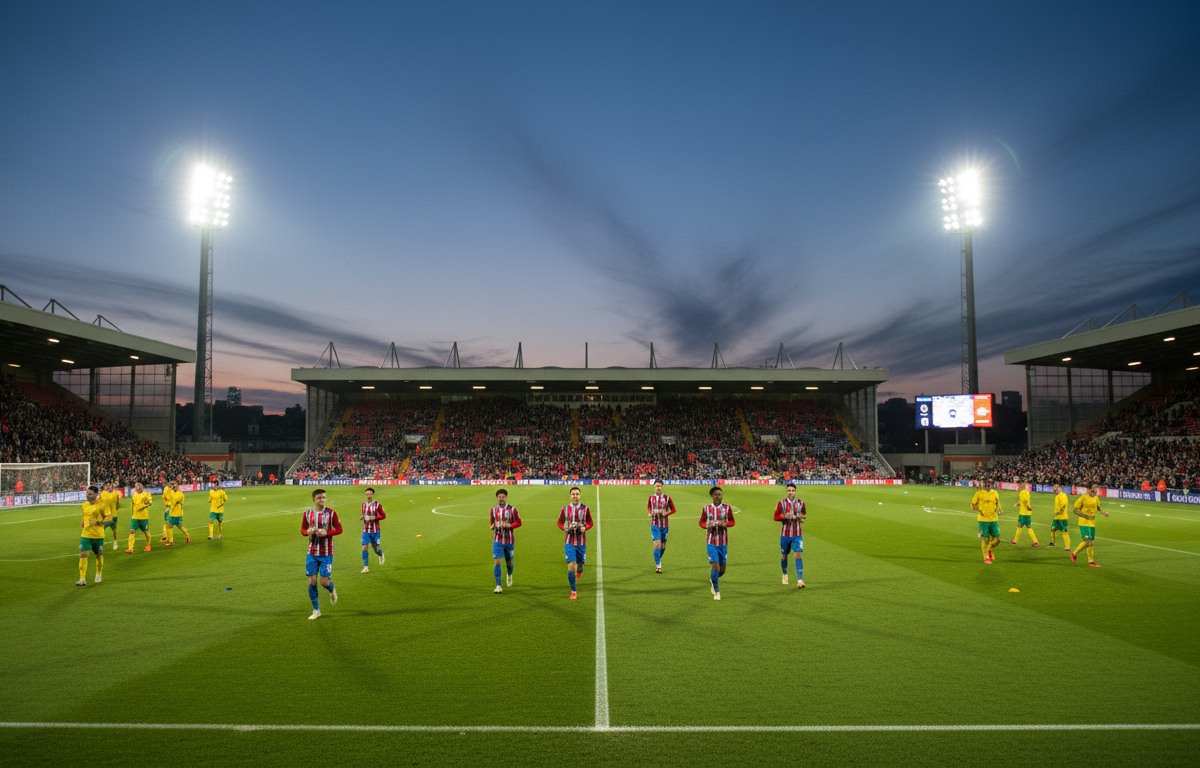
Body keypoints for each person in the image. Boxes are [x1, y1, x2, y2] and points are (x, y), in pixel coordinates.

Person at [301, 488, 342, 619]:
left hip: (327, 552)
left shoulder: (331, 513)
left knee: (324, 582)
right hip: (312, 552)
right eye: (319, 498)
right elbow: (302, 529)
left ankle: (332, 589)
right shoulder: (307, 514)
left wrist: (327, 533)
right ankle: (316, 610)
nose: (322, 500)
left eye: (324, 497)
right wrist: (307, 532)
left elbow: (339, 529)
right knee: (312, 581)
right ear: (314, 499)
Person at [556, 486, 593, 600]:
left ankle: (580, 570)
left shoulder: (585, 509)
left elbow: (590, 523)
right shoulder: (565, 510)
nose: (575, 496)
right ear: (570, 496)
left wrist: (584, 528)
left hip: (581, 542)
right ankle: (573, 591)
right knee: (571, 565)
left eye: (577, 494)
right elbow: (560, 523)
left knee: (580, 566)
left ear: (580, 495)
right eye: (573, 494)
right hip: (569, 541)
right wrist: (565, 528)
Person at [700, 486, 736, 600]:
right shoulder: (706, 509)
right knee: (715, 566)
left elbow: (732, 522)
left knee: (722, 569)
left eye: (720, 494)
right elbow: (701, 522)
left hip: (723, 542)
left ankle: (713, 579)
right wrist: (707, 525)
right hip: (711, 542)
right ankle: (716, 591)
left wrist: (723, 524)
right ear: (712, 496)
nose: (718, 496)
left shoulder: (727, 508)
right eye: (716, 494)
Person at [773, 482, 805, 588]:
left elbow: (803, 518)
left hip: (797, 534)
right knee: (784, 555)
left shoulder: (801, 503)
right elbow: (775, 517)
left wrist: (797, 518)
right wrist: (785, 517)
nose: (790, 492)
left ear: (795, 491)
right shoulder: (781, 503)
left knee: (798, 554)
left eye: (792, 490)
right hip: (785, 535)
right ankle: (785, 573)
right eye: (789, 490)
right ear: (787, 491)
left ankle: (800, 580)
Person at [490, 488, 522, 593]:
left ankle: (509, 574)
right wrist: (492, 526)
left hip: (509, 540)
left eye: (503, 497)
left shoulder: (512, 510)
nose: (501, 499)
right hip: (497, 539)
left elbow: (519, 522)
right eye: (499, 497)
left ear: (506, 498)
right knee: (497, 561)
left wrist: (510, 525)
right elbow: (492, 522)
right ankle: (498, 585)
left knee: (509, 562)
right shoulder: (493, 510)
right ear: (497, 498)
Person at [1071, 484, 1108, 567]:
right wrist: (1086, 516)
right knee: (1088, 541)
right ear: (1091, 489)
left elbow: (1099, 509)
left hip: (1091, 523)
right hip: (1083, 522)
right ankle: (1075, 554)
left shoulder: (1096, 498)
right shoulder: (1084, 497)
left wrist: (1104, 513)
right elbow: (1075, 510)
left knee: (1090, 542)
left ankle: (1091, 562)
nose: (1097, 491)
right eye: (1096, 489)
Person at [77, 486, 107, 586]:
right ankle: (82, 579)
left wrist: (99, 522)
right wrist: (83, 521)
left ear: (95, 494)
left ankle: (98, 573)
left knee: (98, 555)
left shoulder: (101, 505)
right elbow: (84, 516)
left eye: (90, 494)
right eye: (87, 494)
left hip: (98, 535)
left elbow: (108, 518)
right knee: (83, 554)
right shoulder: (84, 505)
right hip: (86, 534)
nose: (87, 496)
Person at [646, 479, 675, 573]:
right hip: (655, 524)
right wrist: (649, 513)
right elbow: (649, 507)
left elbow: (673, 509)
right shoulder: (651, 498)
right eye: (656, 486)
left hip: (665, 525)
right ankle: (658, 566)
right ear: (654, 486)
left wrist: (666, 513)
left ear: (662, 486)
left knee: (663, 545)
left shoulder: (667, 498)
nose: (658, 488)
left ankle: (658, 559)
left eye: (659, 486)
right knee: (657, 544)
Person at [971, 478, 1002, 564]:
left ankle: (988, 549)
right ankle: (986, 557)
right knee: (986, 539)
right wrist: (979, 510)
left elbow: (997, 503)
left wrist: (1000, 510)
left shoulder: (995, 493)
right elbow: (973, 505)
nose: (988, 484)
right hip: (983, 519)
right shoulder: (978, 493)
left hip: (993, 519)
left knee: (998, 539)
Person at [359, 487, 386, 573]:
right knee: (364, 547)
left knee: (376, 549)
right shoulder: (363, 504)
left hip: (375, 531)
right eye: (367, 494)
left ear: (372, 494)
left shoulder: (378, 505)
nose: (368, 495)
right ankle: (366, 567)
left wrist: (374, 517)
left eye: (370, 494)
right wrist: (362, 517)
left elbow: (383, 516)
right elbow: (364, 514)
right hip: (366, 530)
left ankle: (380, 554)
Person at [125, 481, 153, 553]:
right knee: (132, 531)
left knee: (146, 531)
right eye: (136, 487)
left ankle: (148, 545)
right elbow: (133, 505)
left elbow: (150, 503)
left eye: (139, 486)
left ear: (142, 487)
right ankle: (130, 548)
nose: (137, 488)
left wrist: (142, 506)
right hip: (135, 517)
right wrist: (132, 513)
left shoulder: (147, 494)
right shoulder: (134, 495)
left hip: (143, 517)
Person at [1009, 481, 1039, 547]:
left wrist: (1027, 506)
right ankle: (1036, 541)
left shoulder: (1022, 493)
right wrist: (1017, 504)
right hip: (1028, 514)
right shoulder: (1027, 492)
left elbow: (1025, 501)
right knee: (1029, 528)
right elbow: (1024, 501)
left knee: (1019, 527)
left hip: (1022, 514)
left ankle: (1015, 540)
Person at [1047, 484, 1071, 551]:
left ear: (1059, 488)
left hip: (1062, 517)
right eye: (1054, 490)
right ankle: (1053, 543)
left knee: (1064, 531)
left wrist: (1060, 512)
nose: (1054, 491)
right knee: (1052, 529)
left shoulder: (1063, 495)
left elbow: (1063, 505)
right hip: (1056, 517)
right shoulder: (1057, 496)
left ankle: (1067, 546)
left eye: (1055, 489)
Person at [165, 481, 189, 545]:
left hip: (173, 513)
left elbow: (172, 504)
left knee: (170, 526)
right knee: (180, 526)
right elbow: (182, 503)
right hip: (180, 513)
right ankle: (187, 536)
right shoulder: (181, 494)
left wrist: (169, 511)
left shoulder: (173, 494)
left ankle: (171, 541)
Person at [100, 482, 122, 551]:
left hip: (107, 516)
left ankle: (101, 545)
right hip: (114, 516)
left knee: (102, 530)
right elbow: (118, 505)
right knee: (114, 529)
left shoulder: (103, 494)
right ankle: (115, 542)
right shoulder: (115, 494)